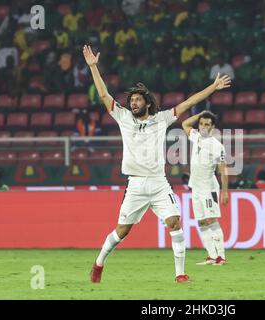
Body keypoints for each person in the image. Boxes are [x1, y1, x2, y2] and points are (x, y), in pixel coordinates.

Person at [83, 45, 231, 283]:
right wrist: (93, 67)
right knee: (122, 231)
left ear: (147, 103)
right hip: (136, 185)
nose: (133, 103)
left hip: (159, 184)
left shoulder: (161, 119)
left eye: (137, 100)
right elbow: (103, 94)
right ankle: (99, 263)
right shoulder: (122, 117)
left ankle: (180, 274)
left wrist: (213, 88)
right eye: (131, 100)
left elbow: (188, 102)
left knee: (175, 222)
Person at [182, 111, 228, 266]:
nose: (203, 127)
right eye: (201, 123)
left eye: (206, 124)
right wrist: (200, 114)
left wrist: (225, 191)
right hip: (196, 187)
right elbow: (185, 124)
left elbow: (223, 170)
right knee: (201, 222)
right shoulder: (196, 137)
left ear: (212, 127)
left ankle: (221, 256)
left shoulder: (217, 146)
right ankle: (212, 256)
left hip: (209, 188)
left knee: (211, 220)